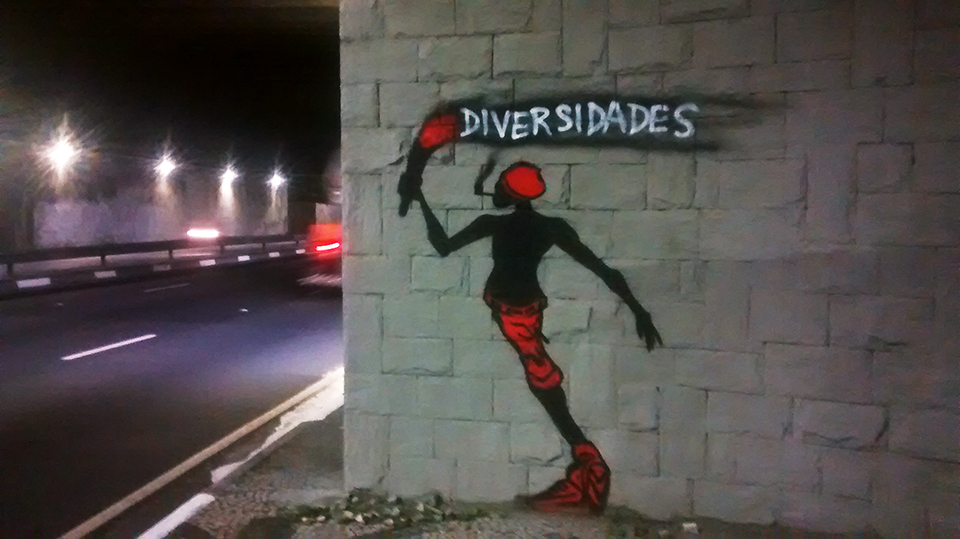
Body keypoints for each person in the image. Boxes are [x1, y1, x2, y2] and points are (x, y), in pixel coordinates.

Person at [399, 119, 663, 514]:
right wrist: (638, 309)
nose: (494, 192)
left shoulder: (494, 224)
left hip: (515, 314)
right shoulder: (549, 228)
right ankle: (585, 462)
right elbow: (602, 269)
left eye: (500, 187)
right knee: (540, 375)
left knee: (542, 378)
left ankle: (589, 465)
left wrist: (421, 200)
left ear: (509, 193)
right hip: (526, 311)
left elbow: (443, 245)